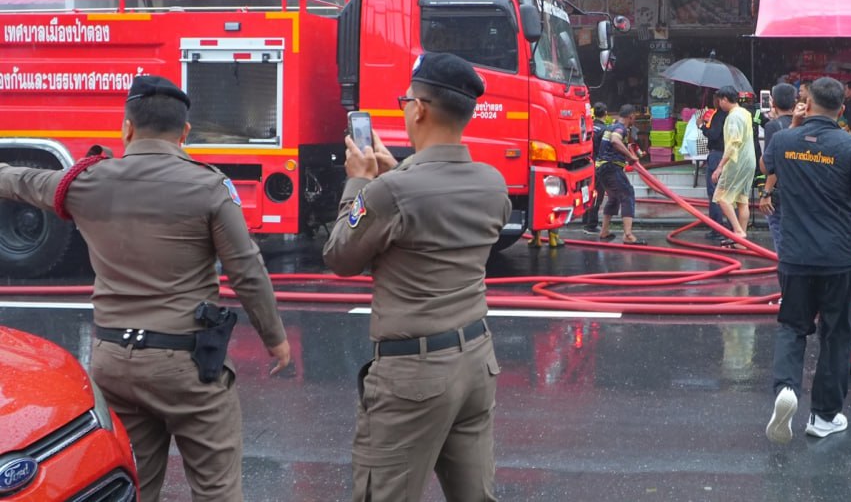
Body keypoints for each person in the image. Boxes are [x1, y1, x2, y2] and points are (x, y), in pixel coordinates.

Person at [0, 75, 291, 502]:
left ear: (126, 128)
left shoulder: (83, 182)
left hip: (115, 364)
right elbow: (247, 270)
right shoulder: (208, 187)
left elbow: (17, 180)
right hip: (189, 367)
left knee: (132, 486)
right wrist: (276, 339)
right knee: (217, 491)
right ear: (185, 133)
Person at [323, 52, 511, 502]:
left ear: (420, 108)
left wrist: (358, 183)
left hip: (414, 374)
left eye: (405, 99)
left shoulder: (389, 192)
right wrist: (399, 170)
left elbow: (340, 256)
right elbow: (430, 196)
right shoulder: (492, 182)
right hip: (476, 361)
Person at [759, 77, 851, 443]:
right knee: (836, 335)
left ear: (806, 104)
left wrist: (794, 126)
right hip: (839, 258)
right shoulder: (850, 146)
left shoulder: (782, 140)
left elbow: (769, 171)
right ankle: (824, 417)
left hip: (795, 257)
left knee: (792, 327)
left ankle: (786, 389)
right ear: (842, 109)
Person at [710, 86, 757, 245]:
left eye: (719, 100)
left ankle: (737, 231)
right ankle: (740, 240)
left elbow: (732, 145)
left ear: (724, 99)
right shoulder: (745, 113)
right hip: (749, 160)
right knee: (742, 200)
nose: (718, 104)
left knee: (722, 197)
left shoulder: (733, 117)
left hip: (737, 161)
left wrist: (720, 166)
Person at [597, 104, 644, 244]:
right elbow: (615, 140)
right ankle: (628, 235)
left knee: (613, 198)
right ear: (631, 116)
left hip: (601, 168)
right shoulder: (620, 128)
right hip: (611, 167)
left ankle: (604, 231)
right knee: (627, 194)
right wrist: (630, 156)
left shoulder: (611, 126)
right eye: (634, 117)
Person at [758, 82, 797, 253]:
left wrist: (766, 192)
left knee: (780, 232)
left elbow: (770, 165)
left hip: (781, 189)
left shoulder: (773, 126)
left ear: (773, 102)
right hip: (800, 186)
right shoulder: (803, 123)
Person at [698, 96, 729, 239]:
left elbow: (714, 135)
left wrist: (702, 126)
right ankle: (731, 227)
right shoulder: (733, 115)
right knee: (726, 192)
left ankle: (717, 228)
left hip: (717, 154)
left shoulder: (718, 115)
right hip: (728, 154)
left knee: (714, 192)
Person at [581, 102, 609, 234]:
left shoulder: (589, 126)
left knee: (586, 192)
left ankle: (585, 219)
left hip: (586, 164)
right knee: (597, 194)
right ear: (606, 113)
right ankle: (591, 224)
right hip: (599, 165)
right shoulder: (605, 130)